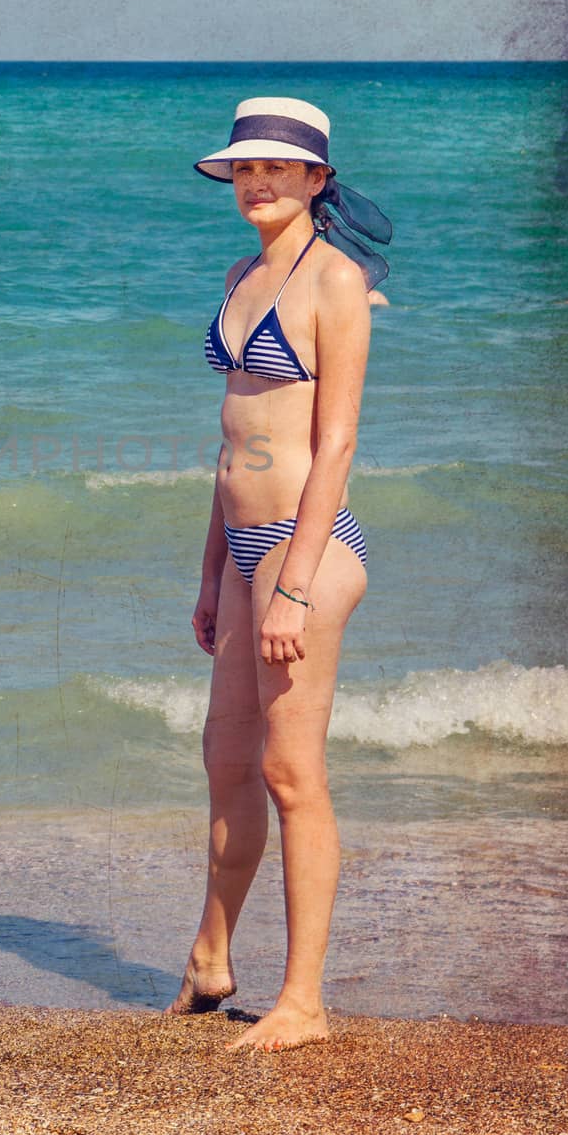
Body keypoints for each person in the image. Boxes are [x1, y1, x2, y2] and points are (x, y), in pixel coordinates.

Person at [165, 96, 392, 1053]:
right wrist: (216, 574)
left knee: (291, 772)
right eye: (244, 168)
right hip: (245, 548)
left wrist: (290, 585)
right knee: (226, 767)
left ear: (316, 181)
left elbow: (332, 444)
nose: (256, 182)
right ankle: (210, 961)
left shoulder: (331, 282)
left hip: (310, 552)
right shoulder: (238, 276)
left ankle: (303, 1001)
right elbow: (235, 447)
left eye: (277, 169)